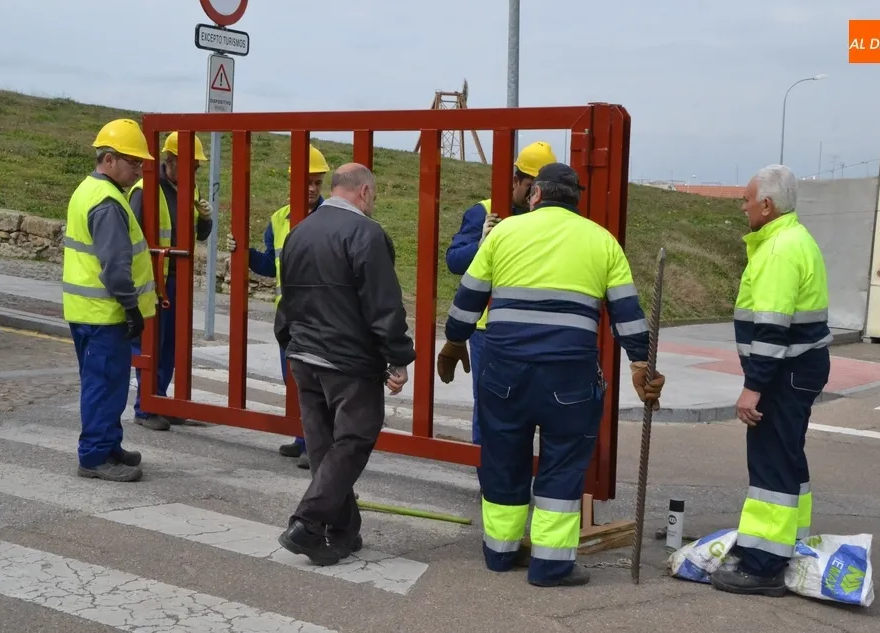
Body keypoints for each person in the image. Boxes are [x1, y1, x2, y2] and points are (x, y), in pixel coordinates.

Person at [444, 163, 665, 587]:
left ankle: (499, 553)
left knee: (503, 456)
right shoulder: (602, 242)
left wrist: (455, 341)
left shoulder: (505, 233)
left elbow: (468, 297)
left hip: (505, 370)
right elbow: (628, 315)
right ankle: (550, 565)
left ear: (536, 195)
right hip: (570, 377)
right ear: (575, 200)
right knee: (563, 464)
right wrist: (640, 363)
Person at [276, 163, 416, 566]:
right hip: (348, 360)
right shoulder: (366, 235)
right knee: (354, 439)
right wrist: (398, 356)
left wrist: (290, 344)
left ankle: (342, 531)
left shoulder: (300, 230)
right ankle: (306, 523)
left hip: (303, 354)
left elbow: (288, 297)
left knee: (324, 446)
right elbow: (383, 303)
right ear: (365, 192)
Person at [712, 165, 832, 597]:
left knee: (771, 465)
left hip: (784, 372)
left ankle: (763, 565)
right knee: (787, 456)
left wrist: (753, 386)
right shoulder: (795, 239)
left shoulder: (778, 250)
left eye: (746, 198)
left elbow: (771, 330)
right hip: (801, 368)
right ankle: (787, 542)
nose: (741, 205)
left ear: (767, 204)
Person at [437, 141, 558, 451]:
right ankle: (488, 475)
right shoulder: (485, 211)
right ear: (515, 180)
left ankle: (512, 469)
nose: (535, 197)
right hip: (487, 329)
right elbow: (454, 261)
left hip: (532, 326)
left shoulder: (549, 218)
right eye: (529, 187)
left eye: (539, 189)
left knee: (527, 404)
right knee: (491, 402)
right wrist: (482, 244)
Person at [63, 118, 158, 482]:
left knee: (106, 383)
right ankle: (94, 457)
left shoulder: (90, 190)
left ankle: (109, 445)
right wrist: (132, 307)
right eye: (134, 163)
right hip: (104, 313)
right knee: (104, 385)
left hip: (89, 311)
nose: (139, 170)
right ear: (110, 159)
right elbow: (116, 266)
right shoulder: (107, 202)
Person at [227, 144, 330, 469]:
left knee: (318, 383)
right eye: (308, 182)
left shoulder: (332, 217)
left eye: (318, 182)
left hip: (321, 316)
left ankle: (316, 446)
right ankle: (303, 439)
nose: (313, 189)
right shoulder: (278, 219)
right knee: (295, 379)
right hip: (288, 316)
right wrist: (242, 251)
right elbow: (271, 266)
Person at [127, 132, 213, 431]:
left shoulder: (189, 188)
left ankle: (163, 401)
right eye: (190, 166)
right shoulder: (146, 189)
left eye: (197, 168)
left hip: (179, 278)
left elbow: (199, 235)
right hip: (155, 280)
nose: (195, 172)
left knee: (172, 346)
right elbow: (132, 238)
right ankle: (146, 407)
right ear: (170, 161)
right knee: (152, 343)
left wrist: (205, 219)